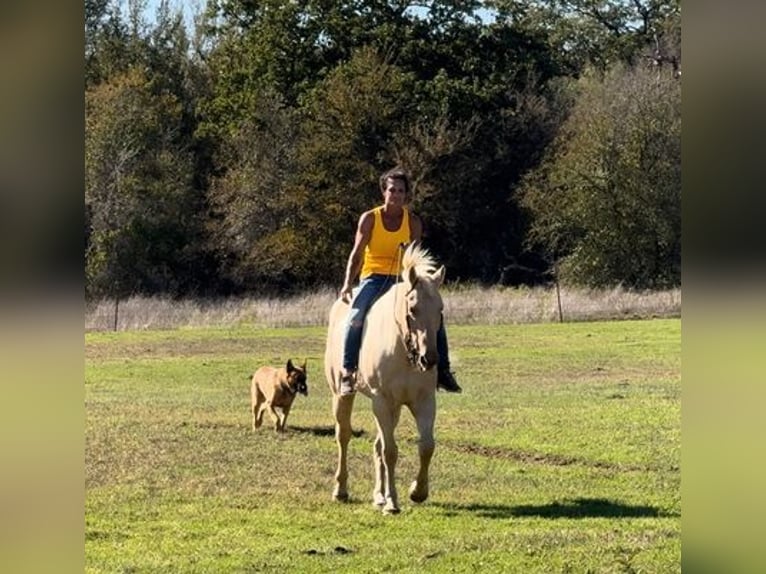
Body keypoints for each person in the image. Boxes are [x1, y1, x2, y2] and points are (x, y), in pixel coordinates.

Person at [337, 167, 462, 396]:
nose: (396, 195)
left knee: (433, 316)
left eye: (401, 191)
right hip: (373, 277)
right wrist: (347, 283)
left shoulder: (413, 222)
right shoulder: (370, 219)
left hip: (403, 279)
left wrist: (423, 282)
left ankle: (443, 370)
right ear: (384, 192)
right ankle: (348, 371)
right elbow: (356, 254)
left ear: (406, 195)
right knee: (355, 318)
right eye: (392, 190)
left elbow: (416, 258)